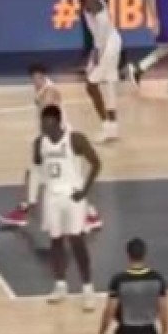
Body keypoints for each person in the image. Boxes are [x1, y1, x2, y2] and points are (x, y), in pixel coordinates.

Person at [0, 64, 103, 230]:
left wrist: (42, 138)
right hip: (52, 139)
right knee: (36, 172)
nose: (35, 81)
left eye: (38, 77)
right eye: (33, 78)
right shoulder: (42, 90)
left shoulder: (50, 91)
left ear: (44, 76)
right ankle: (25, 208)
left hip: (62, 141)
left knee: (67, 179)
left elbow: (48, 113)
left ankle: (90, 214)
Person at [35, 105, 102, 309]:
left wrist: (85, 191)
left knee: (76, 241)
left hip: (73, 196)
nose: (44, 128)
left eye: (48, 124)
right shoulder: (39, 143)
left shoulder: (75, 139)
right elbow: (37, 166)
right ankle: (60, 284)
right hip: (52, 196)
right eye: (42, 124)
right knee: (55, 240)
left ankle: (88, 289)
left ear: (58, 122)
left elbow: (96, 163)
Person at [78, 0, 122, 142]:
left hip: (107, 44)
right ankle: (112, 128)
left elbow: (103, 24)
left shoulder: (91, 0)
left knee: (91, 85)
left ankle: (106, 125)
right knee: (109, 84)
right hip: (111, 42)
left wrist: (98, 50)